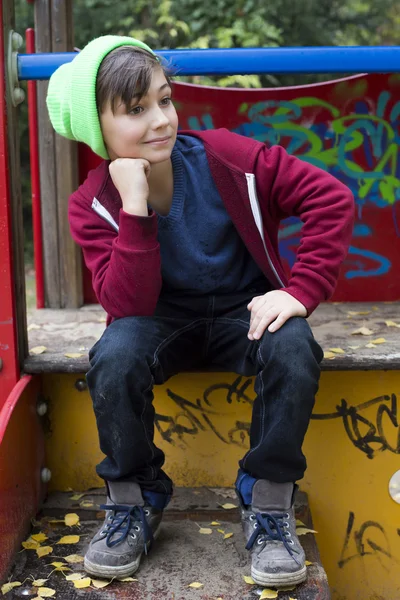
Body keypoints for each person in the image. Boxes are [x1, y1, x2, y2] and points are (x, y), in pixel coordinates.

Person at [46, 35, 354, 587]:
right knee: (113, 357)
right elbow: (127, 307)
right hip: (159, 321)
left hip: (246, 311)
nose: (161, 119)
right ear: (98, 130)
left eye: (165, 99)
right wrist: (135, 207)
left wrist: (300, 291)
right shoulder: (93, 203)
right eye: (136, 110)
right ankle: (135, 502)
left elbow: (331, 198)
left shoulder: (228, 157)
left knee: (295, 345)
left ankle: (267, 503)